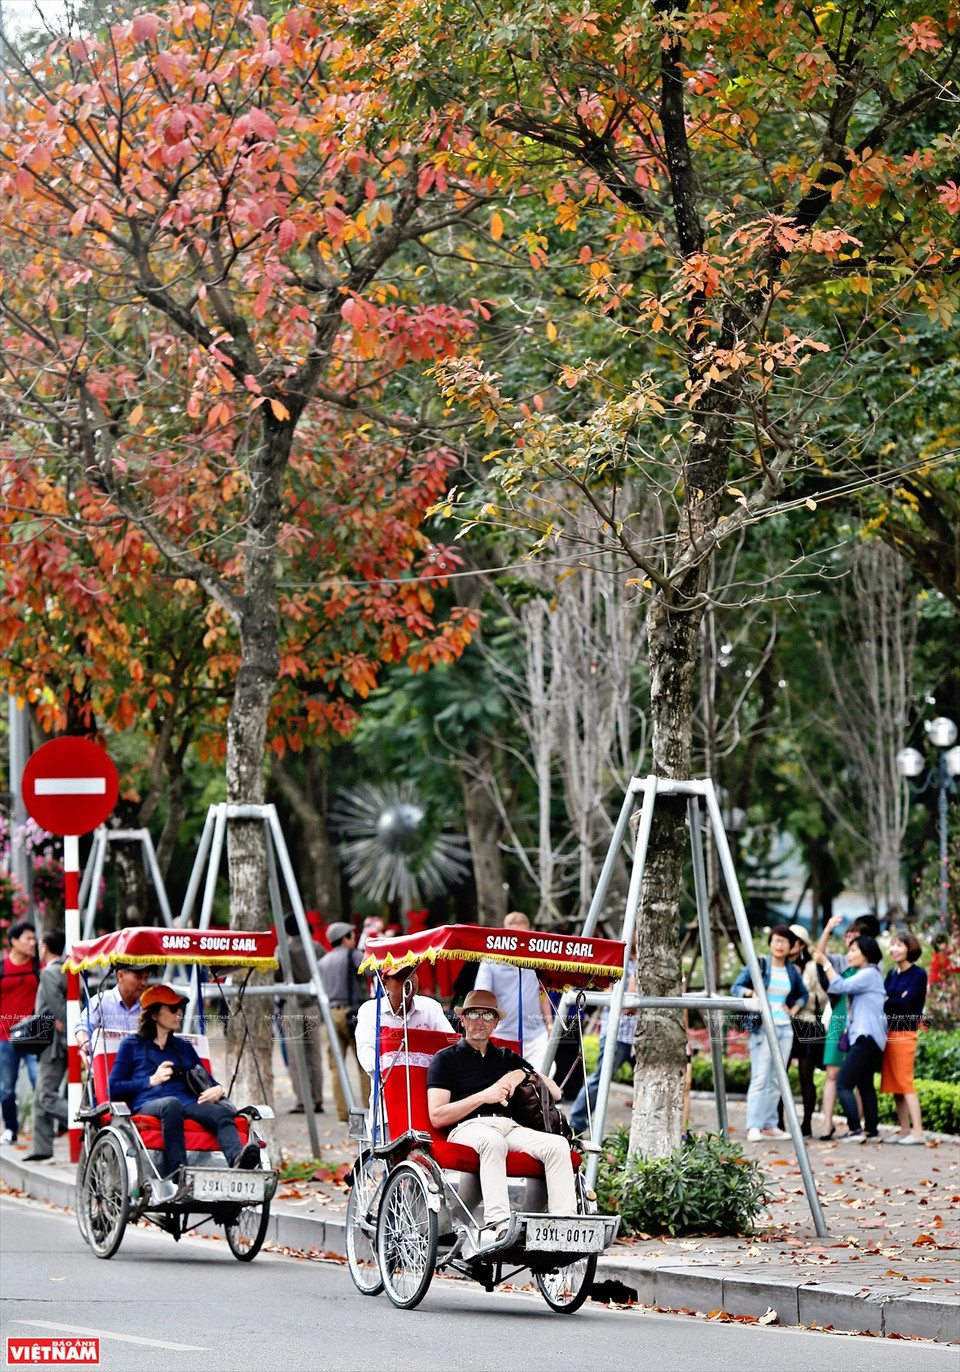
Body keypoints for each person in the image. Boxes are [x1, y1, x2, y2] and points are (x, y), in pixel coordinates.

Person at [427, 988, 577, 1249]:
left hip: (510, 1126)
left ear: (496, 1022)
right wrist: (484, 1096)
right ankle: (501, 1224)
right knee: (492, 1141)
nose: (480, 1021)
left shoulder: (506, 1057)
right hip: (467, 1127)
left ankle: (564, 1226)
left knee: (557, 1146)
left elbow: (555, 1091)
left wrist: (522, 1074)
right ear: (462, 1020)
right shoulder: (445, 1059)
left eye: (487, 1015)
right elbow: (437, 1115)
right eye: (474, 1014)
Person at [109, 984, 259, 1184]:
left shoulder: (183, 1046)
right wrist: (150, 1081)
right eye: (173, 1009)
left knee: (221, 1113)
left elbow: (207, 1080)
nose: (179, 1013)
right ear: (154, 1015)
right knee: (171, 1105)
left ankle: (238, 1161)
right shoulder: (132, 1045)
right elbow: (113, 1088)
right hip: (149, 1104)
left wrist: (218, 1089)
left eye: (180, 1008)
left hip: (188, 1102)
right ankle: (179, 1173)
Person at [732, 925, 807, 1143]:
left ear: (791, 945)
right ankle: (754, 1125)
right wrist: (750, 992)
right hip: (763, 1027)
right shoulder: (760, 965)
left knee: (777, 1078)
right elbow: (736, 987)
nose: (779, 945)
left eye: (784, 941)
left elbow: (803, 993)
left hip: (785, 1028)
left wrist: (794, 1009)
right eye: (776, 940)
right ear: (770, 943)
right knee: (761, 1077)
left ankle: (770, 1125)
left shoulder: (792, 970)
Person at [814, 934, 887, 1142]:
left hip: (867, 1038)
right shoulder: (868, 974)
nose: (849, 955)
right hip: (868, 1038)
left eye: (854, 950)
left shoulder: (869, 973)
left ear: (866, 953)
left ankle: (855, 1129)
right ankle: (871, 1130)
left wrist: (826, 963)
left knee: (843, 1083)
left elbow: (840, 986)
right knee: (864, 1085)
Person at [474, 912, 553, 1071]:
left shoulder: (537, 959)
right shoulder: (491, 961)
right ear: (505, 935)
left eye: (522, 935)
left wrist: (550, 1025)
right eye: (513, 936)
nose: (518, 940)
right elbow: (481, 998)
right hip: (502, 1036)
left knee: (545, 1075)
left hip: (536, 1036)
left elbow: (542, 994)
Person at [569, 956, 636, 1137]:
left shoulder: (649, 959)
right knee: (600, 1080)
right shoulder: (618, 959)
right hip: (618, 1031)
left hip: (643, 1035)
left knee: (650, 1082)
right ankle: (575, 1125)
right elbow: (621, 1002)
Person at [355, 963, 451, 1081]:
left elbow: (450, 1045)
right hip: (387, 1091)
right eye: (400, 976)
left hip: (427, 1090)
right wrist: (394, 1069)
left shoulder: (431, 1007)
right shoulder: (370, 1011)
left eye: (411, 973)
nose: (408, 981)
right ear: (385, 984)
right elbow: (366, 1052)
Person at [776, 925, 828, 1138]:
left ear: (802, 944)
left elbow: (822, 997)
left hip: (807, 1023)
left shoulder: (811, 967)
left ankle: (806, 1124)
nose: (787, 943)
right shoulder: (779, 965)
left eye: (793, 939)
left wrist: (804, 998)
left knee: (806, 1077)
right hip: (784, 1023)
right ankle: (777, 1122)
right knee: (780, 1075)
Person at [317, 922, 368, 1122]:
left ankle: (342, 1113)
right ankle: (369, 1109)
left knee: (336, 1066)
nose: (354, 940)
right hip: (351, 1014)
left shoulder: (323, 961)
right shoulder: (352, 955)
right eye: (352, 936)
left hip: (330, 1015)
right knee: (364, 1064)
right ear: (345, 938)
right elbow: (371, 971)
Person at [24, 929, 68, 1162]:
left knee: (45, 1095)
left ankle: (76, 1120)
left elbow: (58, 1007)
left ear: (44, 947)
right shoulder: (67, 970)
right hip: (52, 1039)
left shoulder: (50, 973)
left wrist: (65, 1030)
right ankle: (41, 1148)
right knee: (41, 1094)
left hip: (52, 1042)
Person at [881, 930, 928, 1145]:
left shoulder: (918, 974)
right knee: (894, 1083)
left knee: (905, 1081)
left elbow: (906, 1004)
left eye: (899, 945)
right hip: (888, 1031)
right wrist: (893, 999)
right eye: (892, 945)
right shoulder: (892, 973)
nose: (894, 949)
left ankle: (918, 1132)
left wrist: (890, 1000)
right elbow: (885, 1000)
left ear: (910, 948)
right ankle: (904, 1130)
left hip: (905, 1031)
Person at [279, 913, 326, 1115]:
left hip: (292, 1005)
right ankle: (317, 1100)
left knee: (296, 1057)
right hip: (313, 1004)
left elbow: (277, 975)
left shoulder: (281, 949)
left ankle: (301, 1101)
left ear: (287, 930)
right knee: (315, 1055)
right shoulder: (316, 948)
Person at [0, 921, 42, 1146]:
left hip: (33, 1034)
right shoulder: (2, 968)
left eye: (34, 939)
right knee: (6, 1088)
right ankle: (10, 1129)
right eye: (28, 938)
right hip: (5, 1036)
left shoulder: (38, 966)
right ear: (14, 941)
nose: (32, 943)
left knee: (40, 1081)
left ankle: (44, 1130)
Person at [76, 962, 156, 1057]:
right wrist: (86, 1044)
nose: (144, 983)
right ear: (120, 976)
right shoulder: (101, 1002)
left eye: (146, 978)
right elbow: (83, 1028)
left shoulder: (148, 1007)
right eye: (138, 977)